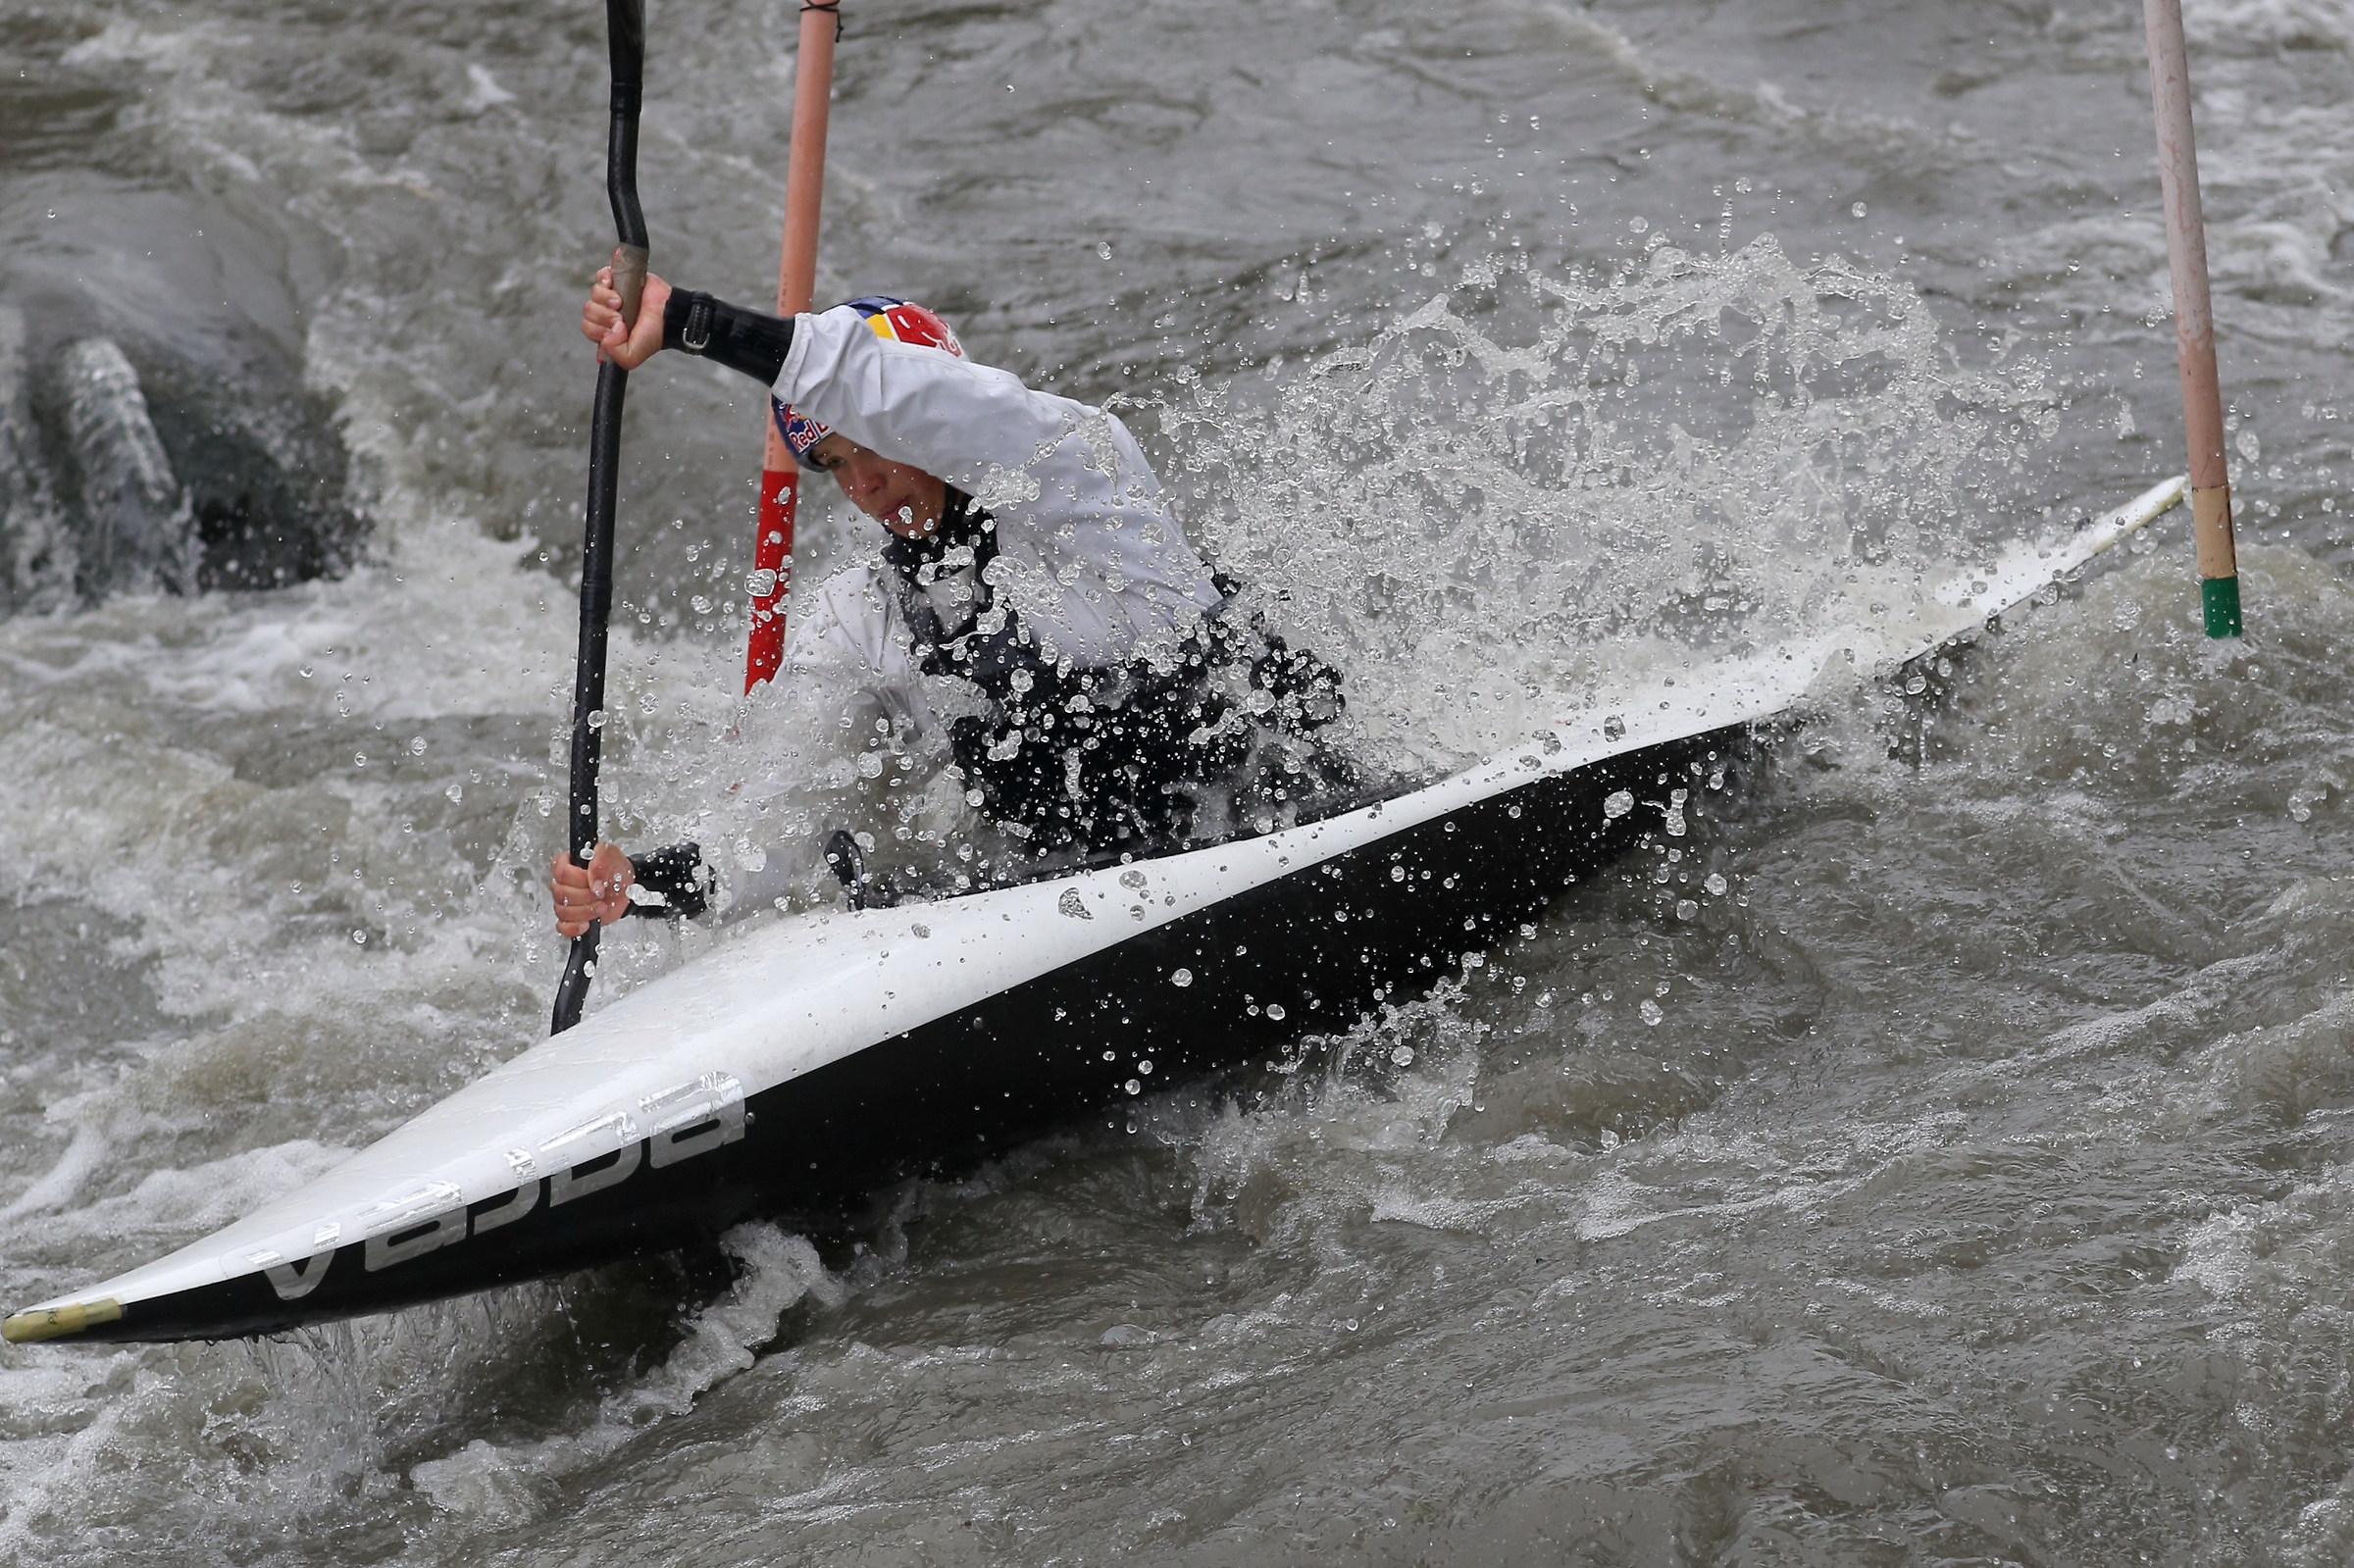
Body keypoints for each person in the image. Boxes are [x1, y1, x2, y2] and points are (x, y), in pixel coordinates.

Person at [551, 266, 1344, 939]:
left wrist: (696, 323)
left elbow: (941, 406)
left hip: (1283, 820)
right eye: (833, 461)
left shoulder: (1074, 477)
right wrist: (643, 886)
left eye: (875, 442)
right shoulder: (861, 617)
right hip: (1078, 895)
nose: (863, 483)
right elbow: (787, 821)